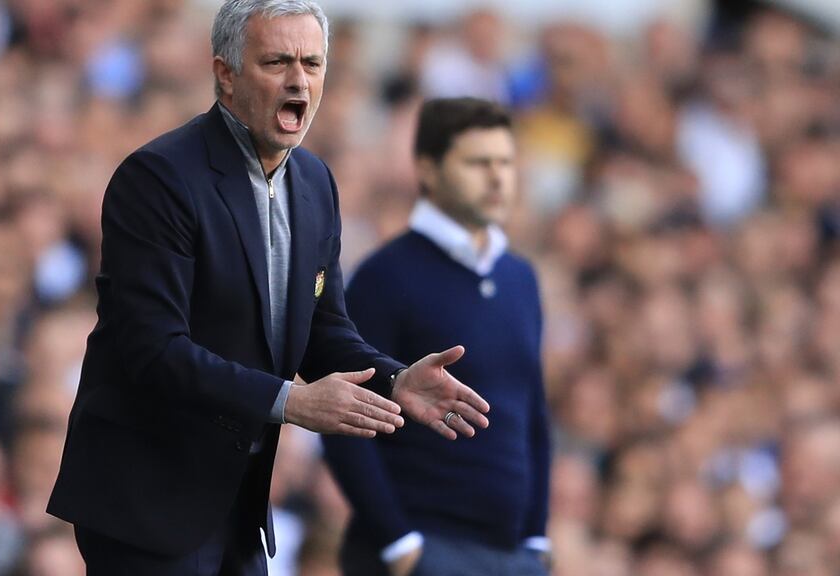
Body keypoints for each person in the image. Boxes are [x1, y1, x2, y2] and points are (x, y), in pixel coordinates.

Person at [46, 2, 491, 574]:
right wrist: (292, 402)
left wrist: (394, 377)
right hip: (147, 500)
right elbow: (152, 349)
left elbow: (322, 328)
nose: (298, 80)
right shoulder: (158, 179)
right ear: (226, 74)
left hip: (238, 503)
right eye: (277, 61)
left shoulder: (314, 181)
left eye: (312, 63)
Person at [322, 98, 553, 576]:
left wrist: (535, 538)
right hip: (426, 547)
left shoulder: (520, 278)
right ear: (427, 169)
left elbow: (532, 413)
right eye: (478, 162)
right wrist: (399, 544)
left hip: (512, 553)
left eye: (505, 162)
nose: (497, 178)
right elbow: (346, 419)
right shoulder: (386, 276)